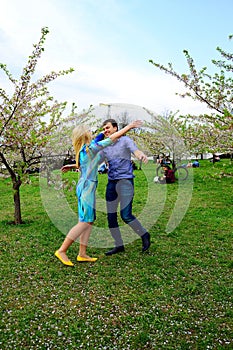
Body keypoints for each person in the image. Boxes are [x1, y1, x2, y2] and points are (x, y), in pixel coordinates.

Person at [55, 120, 143, 266]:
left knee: (88, 220)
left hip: (85, 187)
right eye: (89, 130)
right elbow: (110, 139)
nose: (92, 132)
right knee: (84, 222)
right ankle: (62, 250)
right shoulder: (90, 148)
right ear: (85, 135)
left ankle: (82, 254)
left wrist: (71, 166)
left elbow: (81, 164)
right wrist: (129, 127)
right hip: (87, 188)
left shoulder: (84, 149)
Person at [100, 118, 151, 256]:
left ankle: (145, 235)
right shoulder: (105, 146)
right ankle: (119, 245)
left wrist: (141, 155)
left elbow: (136, 151)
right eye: (104, 129)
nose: (105, 131)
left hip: (126, 182)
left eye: (108, 128)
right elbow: (94, 160)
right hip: (112, 183)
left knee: (126, 215)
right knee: (111, 216)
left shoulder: (125, 141)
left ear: (115, 128)